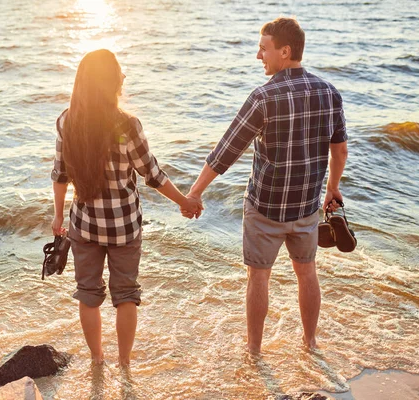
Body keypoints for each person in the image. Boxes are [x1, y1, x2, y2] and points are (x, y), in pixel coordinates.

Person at [184, 17, 348, 354]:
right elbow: (340, 149)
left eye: (264, 49)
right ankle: (310, 343)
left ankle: (255, 352)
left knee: (259, 278)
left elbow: (225, 152)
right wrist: (332, 188)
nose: (259, 56)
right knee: (307, 274)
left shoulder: (263, 97)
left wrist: (195, 192)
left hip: (265, 209)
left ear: (284, 51)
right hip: (306, 209)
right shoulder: (329, 93)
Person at [51, 49, 202, 366]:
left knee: (88, 295)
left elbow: (60, 174)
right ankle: (124, 364)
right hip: (125, 226)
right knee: (126, 296)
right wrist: (184, 202)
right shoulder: (127, 125)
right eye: (119, 71)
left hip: (84, 224)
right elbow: (153, 174)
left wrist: (56, 216)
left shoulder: (67, 121)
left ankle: (97, 360)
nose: (123, 76)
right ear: (109, 81)